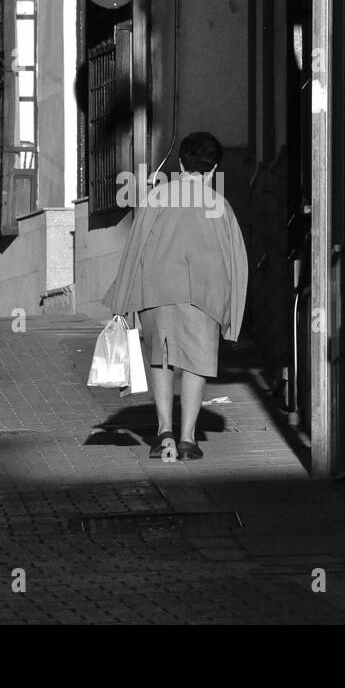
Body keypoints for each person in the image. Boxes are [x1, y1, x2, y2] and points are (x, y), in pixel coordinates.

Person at [104, 132, 249, 461]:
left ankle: (164, 432)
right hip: (205, 294)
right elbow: (236, 261)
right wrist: (232, 315)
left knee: (162, 358)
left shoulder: (158, 197)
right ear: (212, 170)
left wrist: (123, 299)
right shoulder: (218, 205)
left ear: (180, 163)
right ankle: (188, 439)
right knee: (197, 363)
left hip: (158, 290)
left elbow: (135, 248)